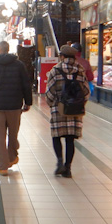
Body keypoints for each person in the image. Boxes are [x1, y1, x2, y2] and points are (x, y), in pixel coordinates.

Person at [0, 42, 32, 176]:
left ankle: (2, 167)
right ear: (8, 50)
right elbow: (26, 85)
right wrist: (28, 102)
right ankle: (12, 157)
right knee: (13, 134)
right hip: (15, 106)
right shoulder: (19, 65)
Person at [45, 45, 90, 178]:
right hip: (74, 110)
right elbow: (86, 91)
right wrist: (79, 104)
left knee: (56, 136)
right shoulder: (80, 70)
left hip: (59, 108)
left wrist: (52, 104)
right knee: (70, 139)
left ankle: (60, 162)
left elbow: (50, 92)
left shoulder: (55, 70)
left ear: (62, 56)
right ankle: (68, 168)